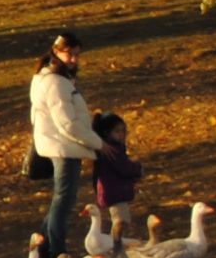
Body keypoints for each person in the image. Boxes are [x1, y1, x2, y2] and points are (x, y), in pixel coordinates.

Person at [29, 32, 101, 247]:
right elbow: (67, 124)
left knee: (61, 200)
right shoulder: (55, 82)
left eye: (77, 55)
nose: (74, 60)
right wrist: (98, 144)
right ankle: (55, 252)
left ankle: (42, 246)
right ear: (56, 51)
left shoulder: (51, 77)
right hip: (63, 147)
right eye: (69, 54)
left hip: (59, 144)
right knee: (63, 202)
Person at [89, 112, 144, 242]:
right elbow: (123, 167)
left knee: (120, 220)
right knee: (121, 222)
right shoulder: (112, 150)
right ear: (107, 133)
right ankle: (116, 245)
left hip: (114, 191)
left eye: (123, 131)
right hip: (114, 192)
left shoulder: (113, 149)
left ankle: (117, 243)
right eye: (117, 131)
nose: (121, 134)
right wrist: (138, 169)